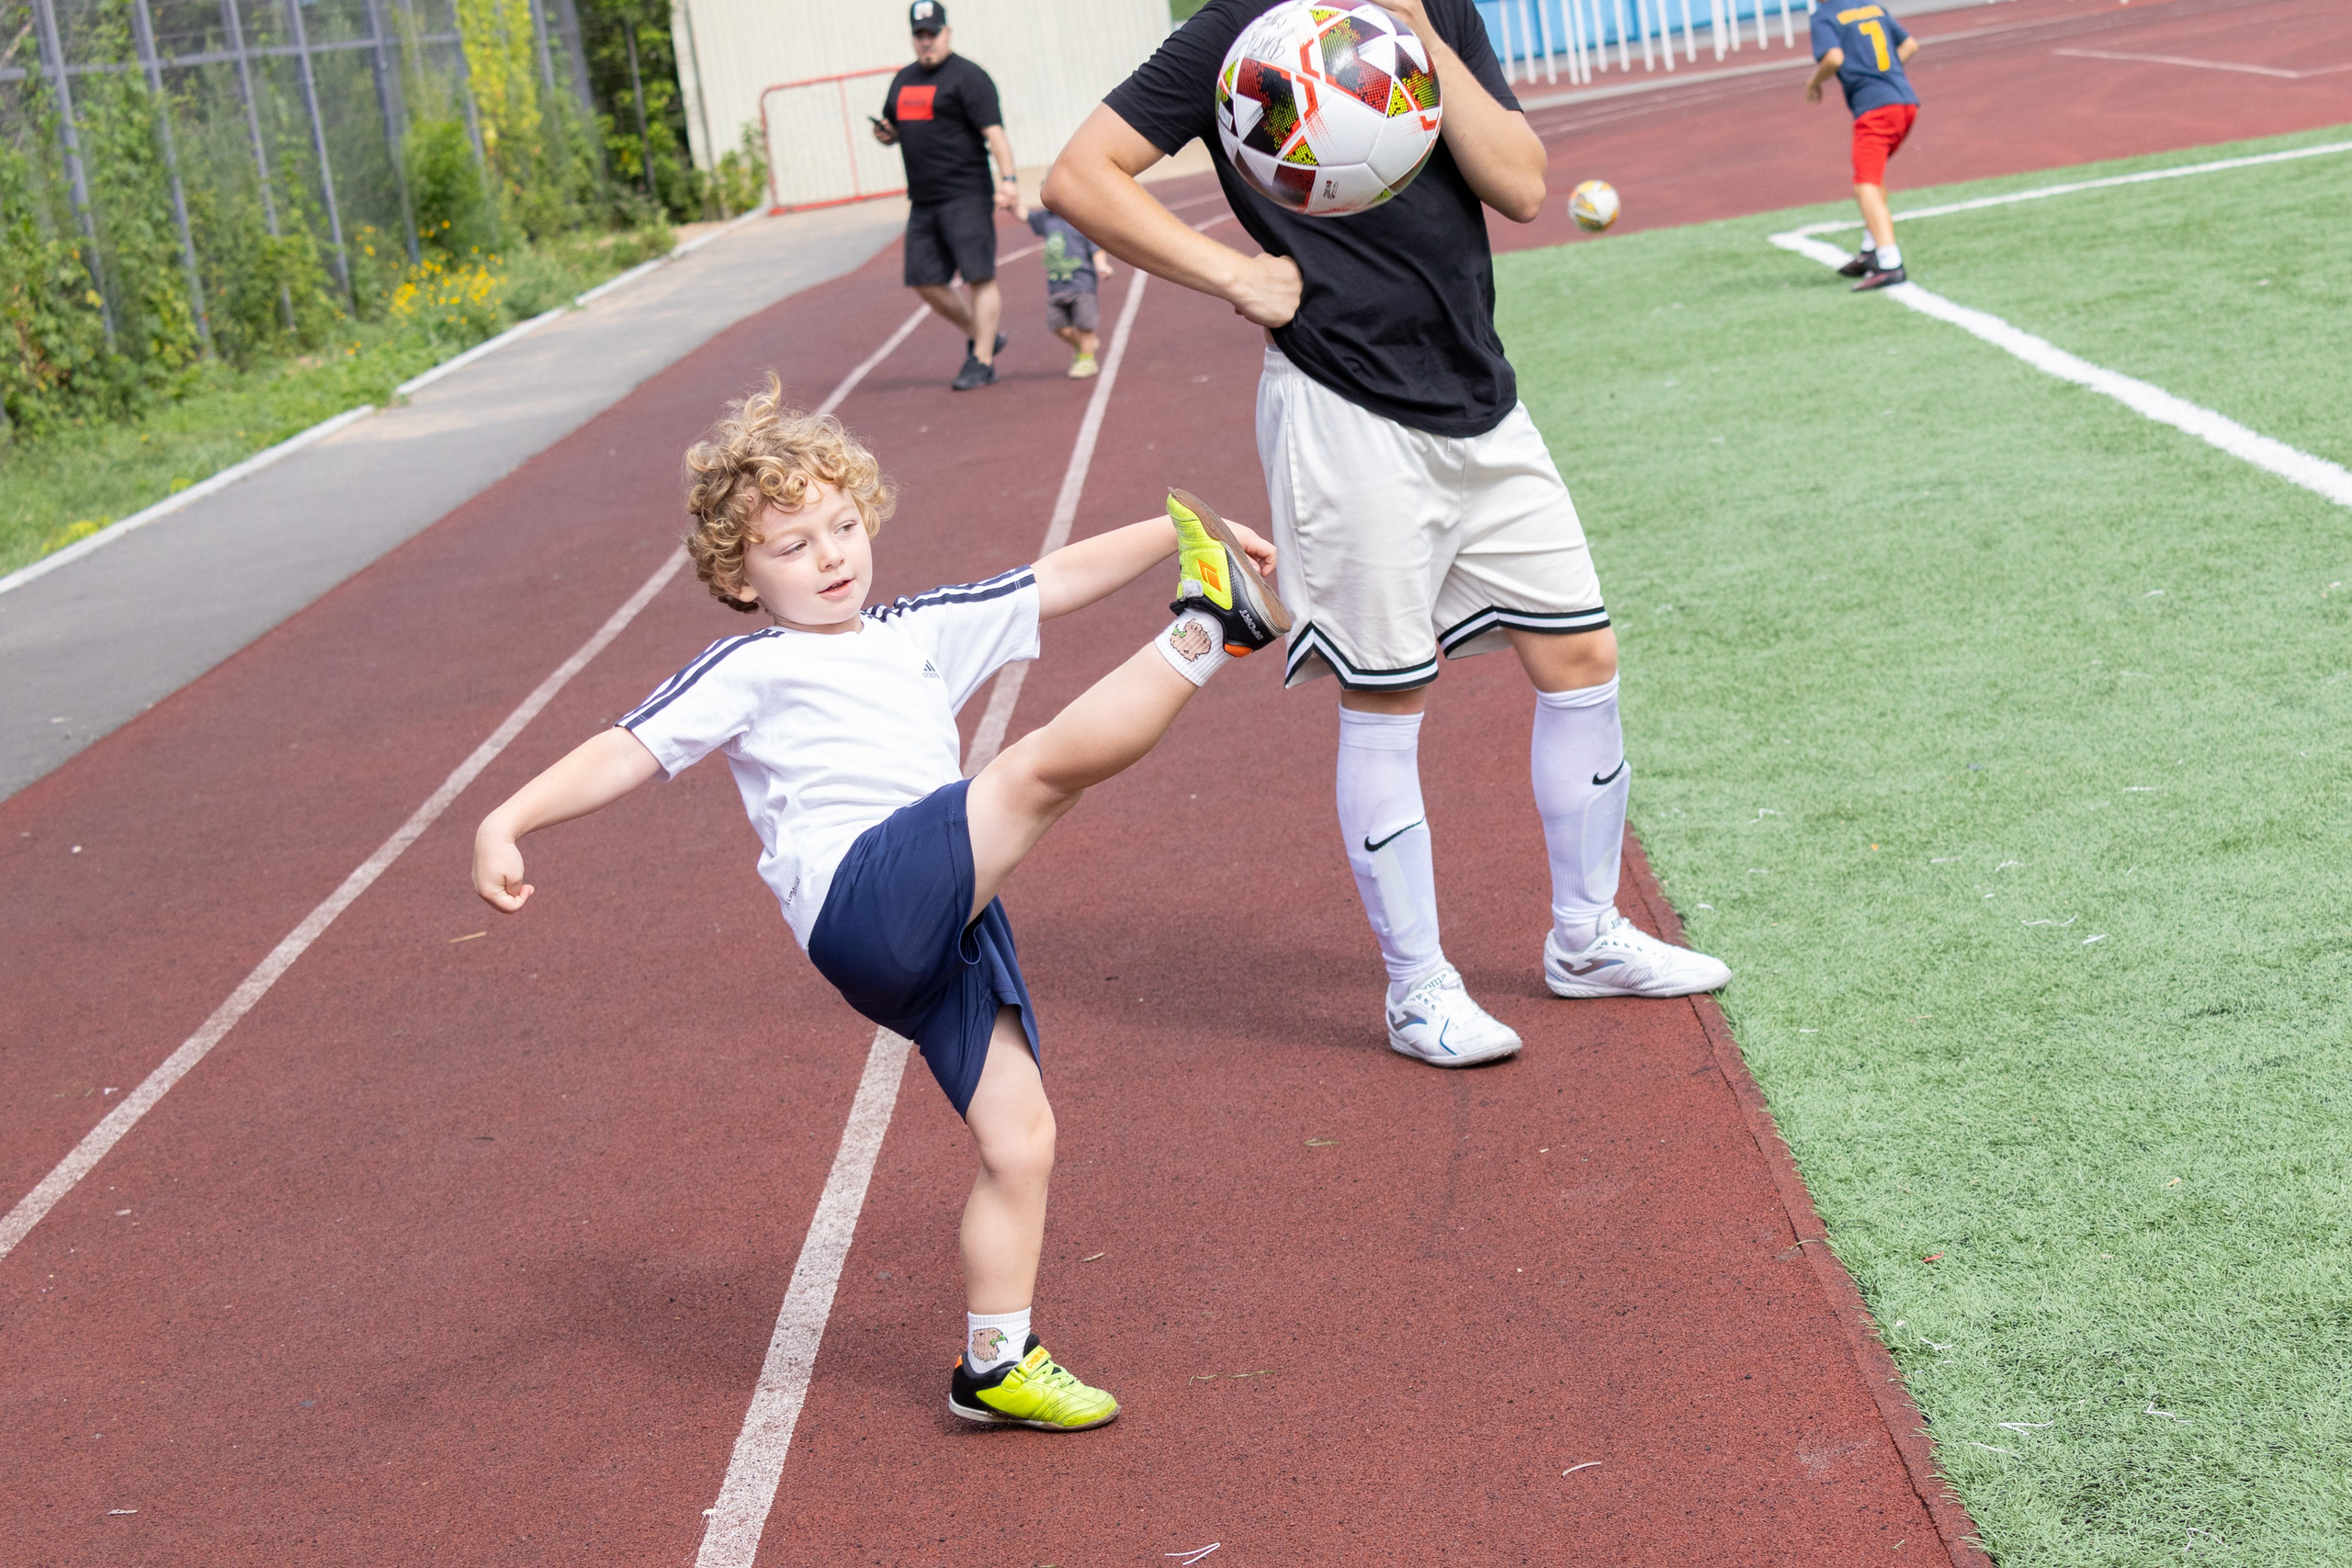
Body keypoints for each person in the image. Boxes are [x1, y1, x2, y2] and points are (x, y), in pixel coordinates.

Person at [469, 377, 1288, 1429]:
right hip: (862, 896)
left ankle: (995, 1364)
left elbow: (1048, 580)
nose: (830, 557)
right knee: (1033, 774)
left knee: (1020, 1139)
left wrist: (1177, 530)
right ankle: (1208, 629)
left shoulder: (914, 630)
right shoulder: (751, 666)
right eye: (792, 545)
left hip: (945, 917)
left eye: (843, 527)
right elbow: (627, 750)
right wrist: (510, 818)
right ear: (739, 574)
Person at [1041, 0, 1730, 1071]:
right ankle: (1418, 991)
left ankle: (1587, 937)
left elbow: (1522, 184)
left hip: (1478, 395)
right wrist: (1231, 273)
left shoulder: (1434, 8)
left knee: (1581, 657)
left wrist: (1420, 29)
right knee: (1388, 693)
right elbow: (1079, 175)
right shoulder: (1239, 31)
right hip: (1341, 404)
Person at [872, 1, 1023, 389]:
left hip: (966, 194)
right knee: (923, 279)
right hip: (923, 199)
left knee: (979, 276)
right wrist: (886, 135)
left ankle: (982, 360)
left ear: (947, 32)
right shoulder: (903, 80)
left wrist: (1008, 179)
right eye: (920, 35)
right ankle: (984, 334)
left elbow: (995, 134)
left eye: (933, 34)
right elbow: (896, 128)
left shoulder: (969, 77)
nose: (927, 41)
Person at [1806, 1, 1923, 291]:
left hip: (1876, 110)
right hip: (1905, 102)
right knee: (1873, 176)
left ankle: (1890, 262)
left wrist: (1813, 82)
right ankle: (1871, 249)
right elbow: (1909, 45)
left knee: (1865, 186)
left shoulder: (1825, 16)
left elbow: (1833, 58)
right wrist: (1885, 75)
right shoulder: (1872, 7)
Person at [1025, 207, 1115, 378]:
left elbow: (1096, 248)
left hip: (1082, 284)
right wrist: (1012, 205)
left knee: (1085, 325)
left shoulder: (1082, 220)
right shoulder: (1047, 218)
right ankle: (1086, 345)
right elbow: (1026, 217)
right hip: (1056, 286)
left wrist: (1101, 265)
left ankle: (1087, 360)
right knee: (1056, 324)